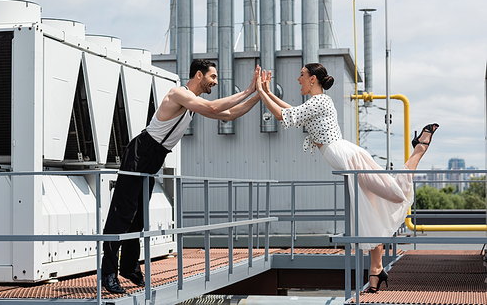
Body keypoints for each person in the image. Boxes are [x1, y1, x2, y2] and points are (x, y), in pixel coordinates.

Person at [255, 63, 439, 293]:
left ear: (313, 79)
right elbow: (292, 113)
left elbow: (286, 115)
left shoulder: (320, 101)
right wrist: (269, 93)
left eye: (301, 75)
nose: (298, 79)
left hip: (350, 158)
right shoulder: (314, 103)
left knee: (393, 193)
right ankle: (376, 271)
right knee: (372, 210)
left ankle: (419, 150)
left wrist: (262, 92)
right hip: (346, 159)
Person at [101, 59, 262, 293]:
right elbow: (215, 109)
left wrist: (259, 94)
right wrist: (248, 90)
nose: (215, 82)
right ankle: (108, 274)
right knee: (121, 215)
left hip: (154, 157)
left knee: (138, 217)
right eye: (212, 77)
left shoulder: (193, 104)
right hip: (140, 152)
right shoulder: (178, 94)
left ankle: (128, 267)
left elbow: (230, 115)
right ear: (199, 75)